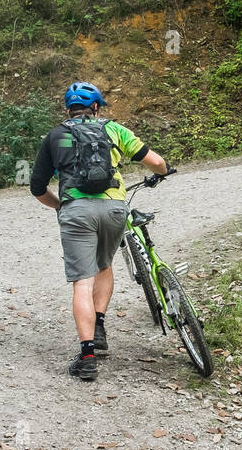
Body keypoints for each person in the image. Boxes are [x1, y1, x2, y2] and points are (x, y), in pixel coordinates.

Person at [30, 82, 169, 380]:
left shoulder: (55, 137)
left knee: (82, 282)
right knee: (105, 266)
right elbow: (156, 162)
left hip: (76, 213)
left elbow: (37, 188)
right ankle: (100, 323)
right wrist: (163, 171)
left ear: (68, 108)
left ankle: (88, 356)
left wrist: (59, 206)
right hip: (115, 210)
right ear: (96, 108)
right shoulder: (114, 129)